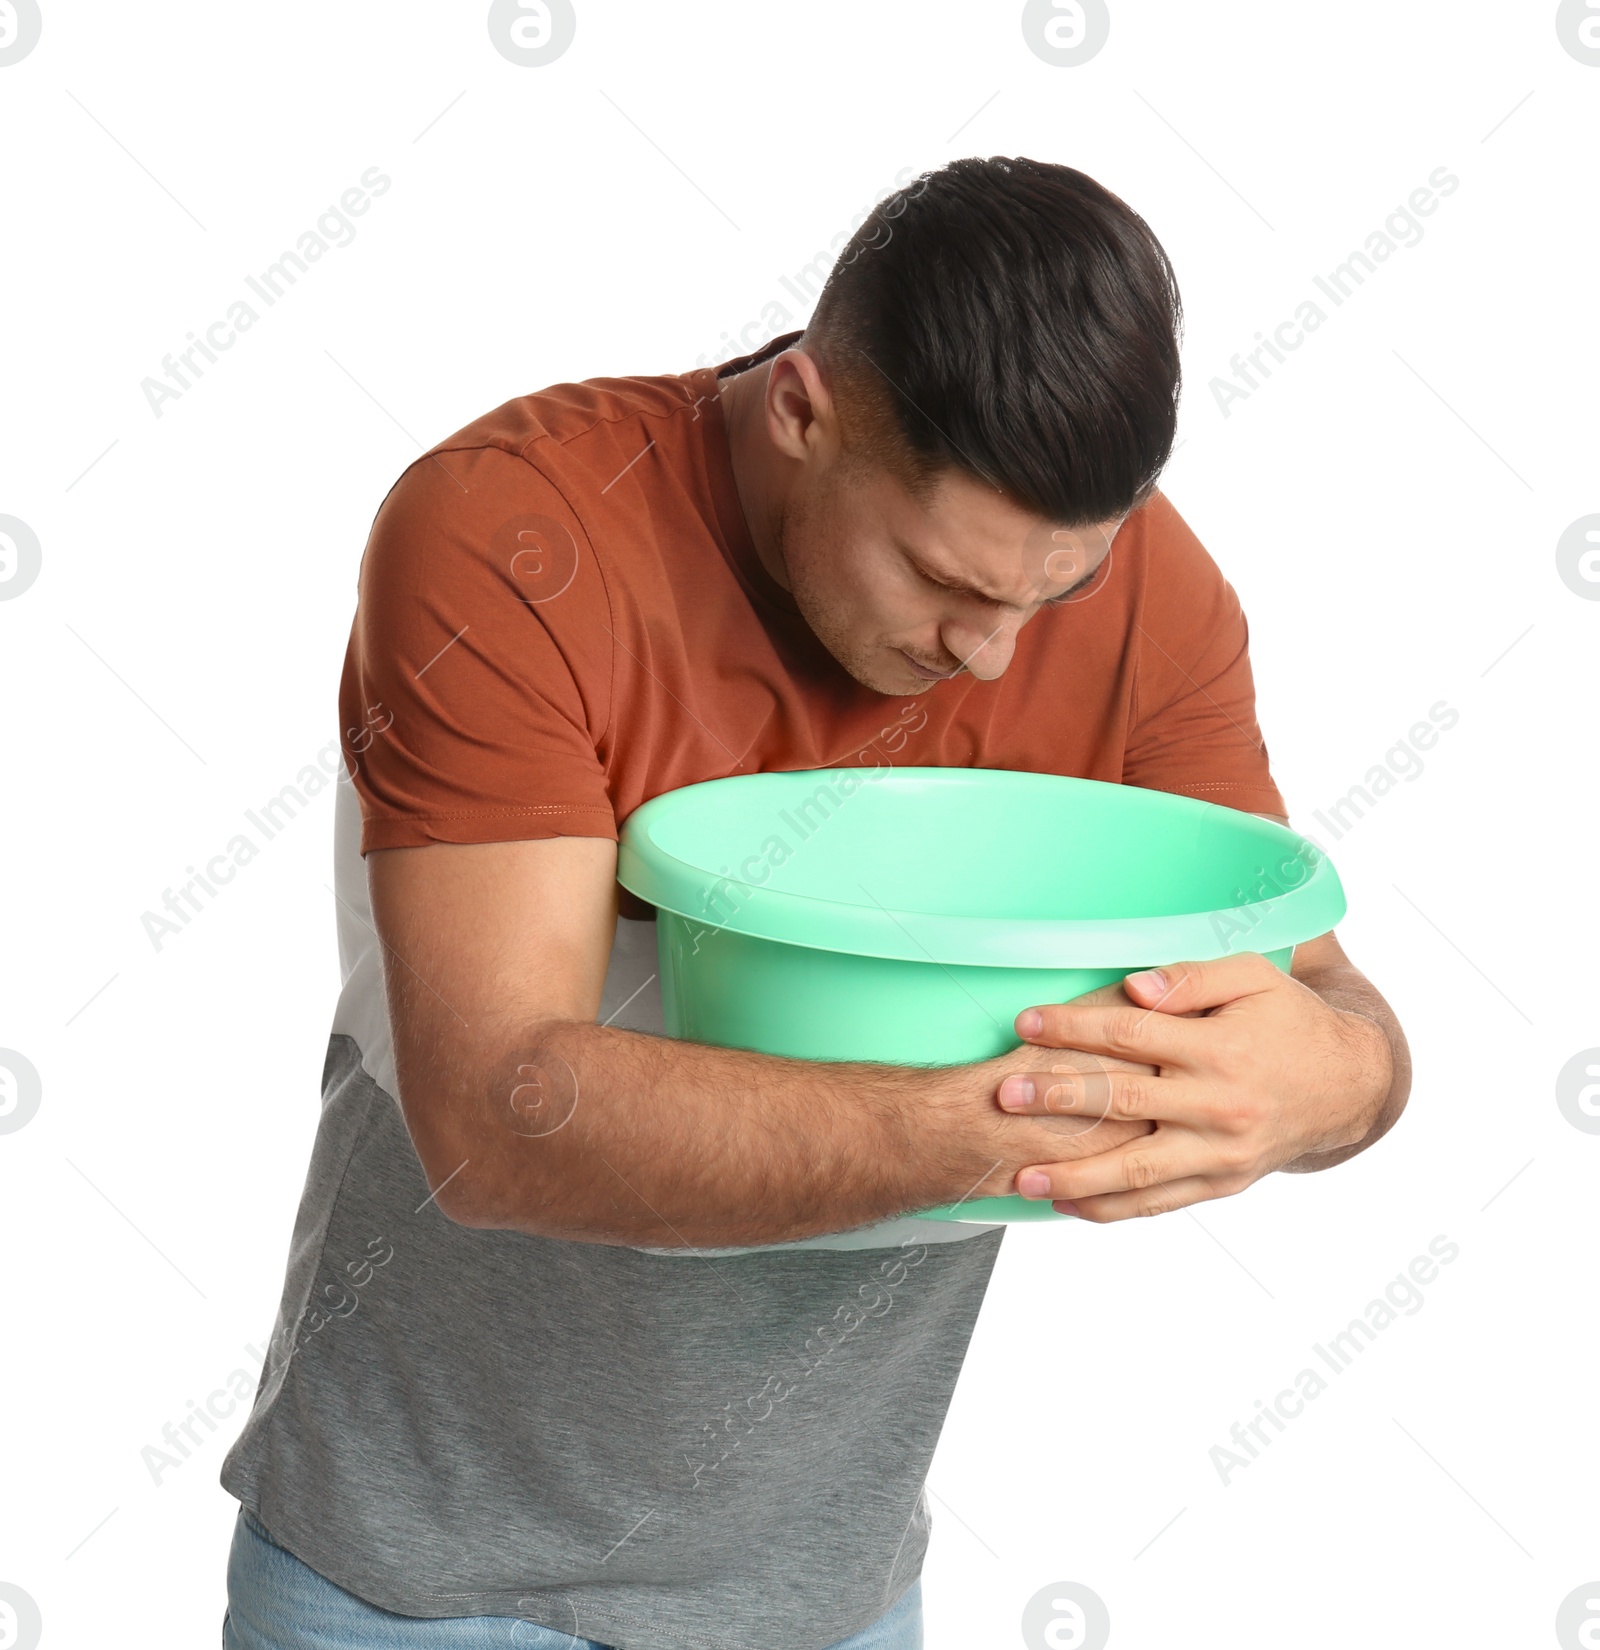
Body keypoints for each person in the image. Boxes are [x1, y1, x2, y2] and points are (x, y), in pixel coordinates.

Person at [219, 155, 1409, 1650]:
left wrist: (1343, 1079)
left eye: (1049, 595)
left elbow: (1327, 997)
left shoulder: (1140, 597)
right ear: (802, 408)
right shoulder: (512, 536)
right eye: (941, 579)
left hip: (826, 1595)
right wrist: (1005, 1124)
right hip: (415, 1581)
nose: (991, 655)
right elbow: (498, 1112)